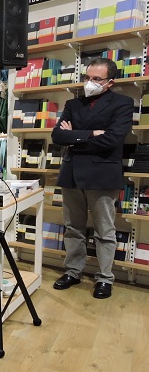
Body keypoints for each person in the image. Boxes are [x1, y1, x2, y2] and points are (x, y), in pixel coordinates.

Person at [50, 57, 133, 299]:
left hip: (102, 175)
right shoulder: (73, 104)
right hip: (71, 174)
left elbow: (114, 139)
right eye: (87, 77)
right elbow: (57, 136)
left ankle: (105, 278)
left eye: (96, 79)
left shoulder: (123, 103)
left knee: (104, 230)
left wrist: (75, 137)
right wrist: (91, 134)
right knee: (73, 228)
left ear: (110, 82)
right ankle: (73, 271)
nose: (90, 83)